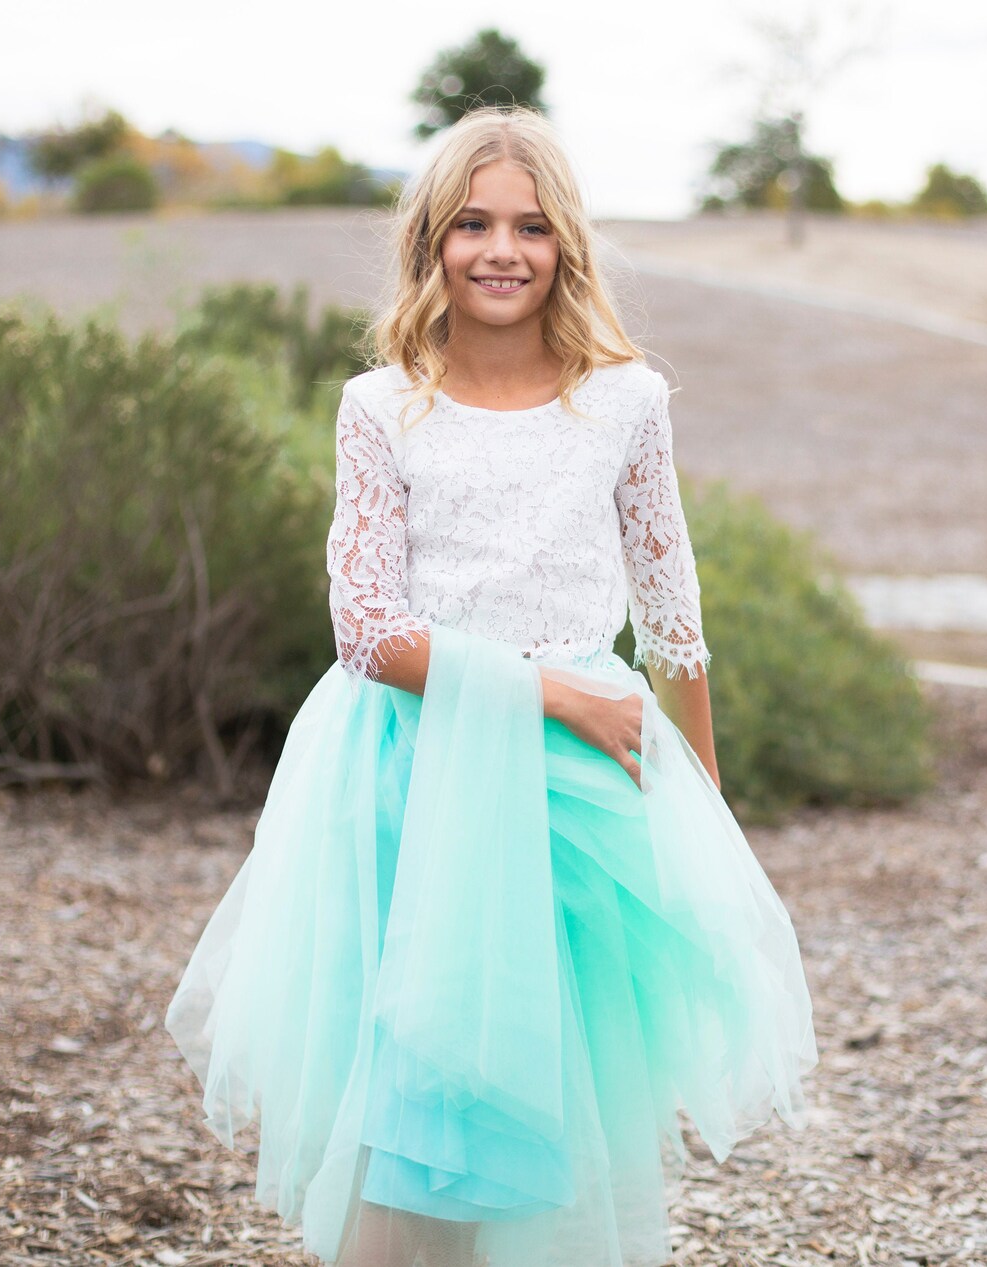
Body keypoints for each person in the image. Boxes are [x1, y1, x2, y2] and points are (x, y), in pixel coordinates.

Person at [165, 106, 817, 1267]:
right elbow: (366, 629)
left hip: (581, 789)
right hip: (418, 768)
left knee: (561, 1081)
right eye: (471, 223)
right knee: (427, 1081)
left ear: (566, 244)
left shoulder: (624, 403)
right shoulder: (384, 407)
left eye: (528, 226)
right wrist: (553, 692)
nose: (500, 249)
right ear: (431, 241)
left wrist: (702, 819)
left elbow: (675, 626)